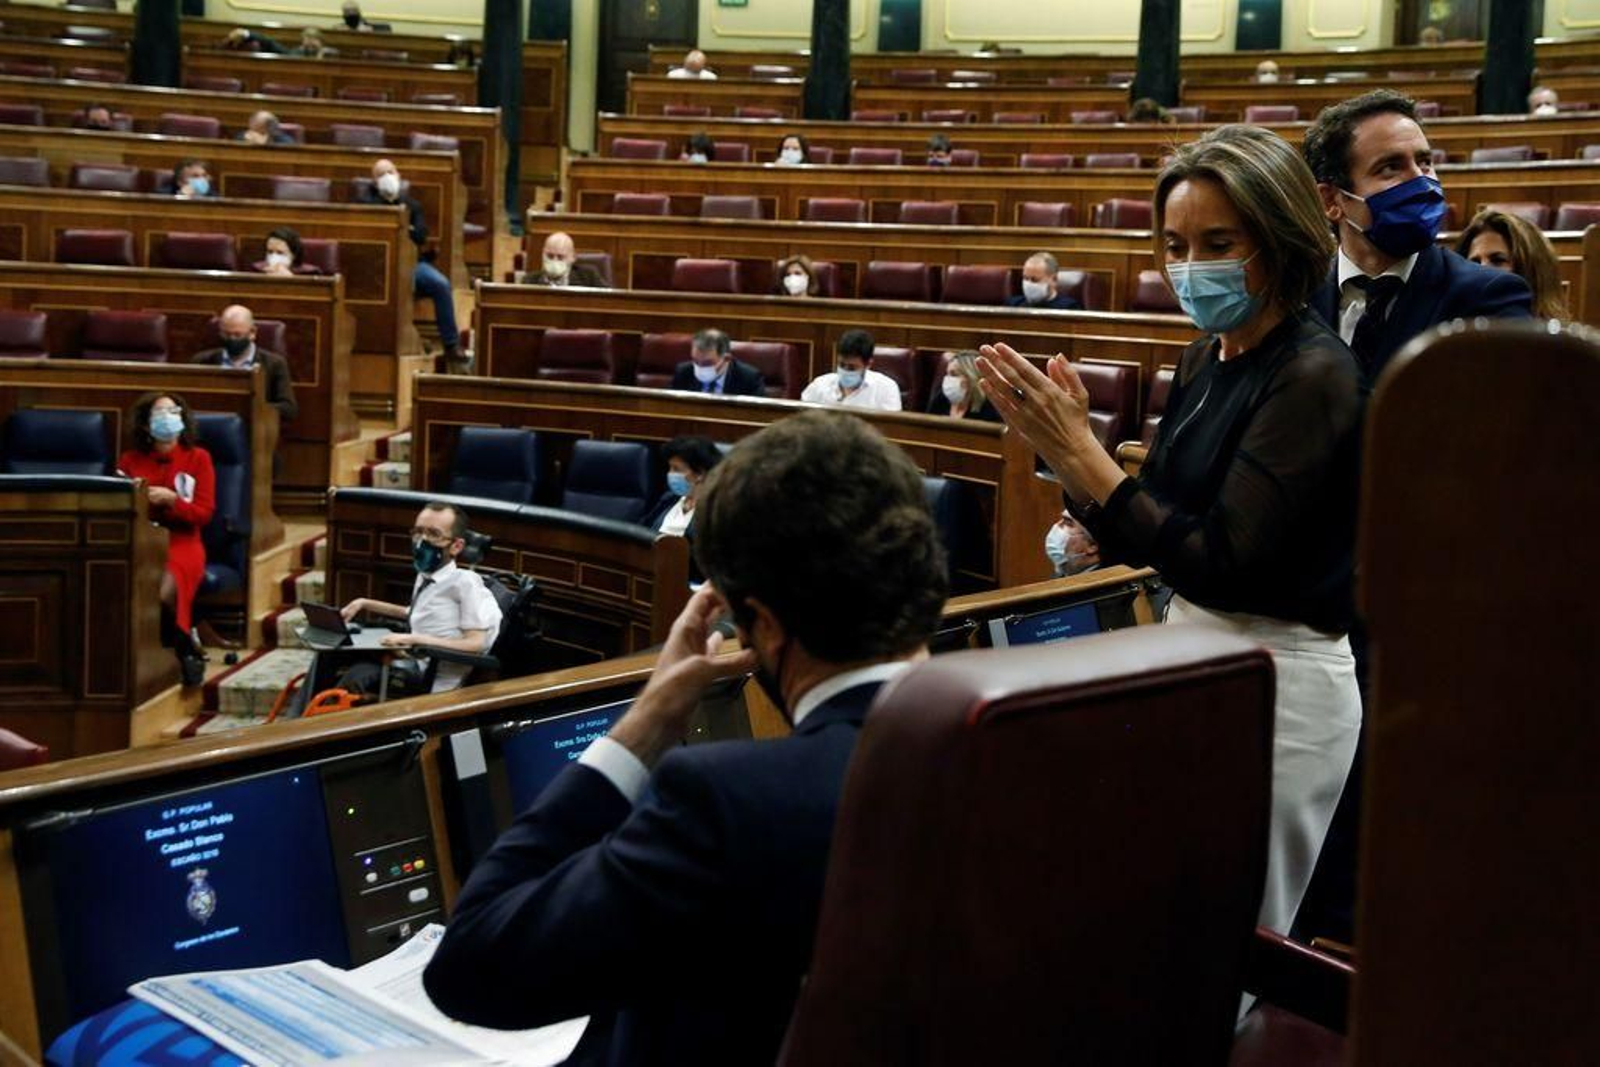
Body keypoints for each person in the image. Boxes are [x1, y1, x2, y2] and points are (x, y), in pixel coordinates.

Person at [422, 411, 949, 1065]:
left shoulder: (727, 803)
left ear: (761, 622)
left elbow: (472, 965)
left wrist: (648, 719)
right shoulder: (1044, 748)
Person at [976, 124, 1366, 943]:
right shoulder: (1202, 357)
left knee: (1225, 948)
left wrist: (1083, 453)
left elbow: (1223, 558)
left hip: (1282, 682)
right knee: (1151, 927)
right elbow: (1156, 516)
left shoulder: (1315, 373)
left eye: (1218, 242)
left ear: (1281, 235)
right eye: (1175, 244)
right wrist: (1079, 484)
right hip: (1188, 650)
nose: (1191, 265)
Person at [1303, 90, 1531, 383]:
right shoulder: (1297, 299)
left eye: (1424, 162)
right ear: (1332, 201)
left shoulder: (1488, 297)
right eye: (1391, 167)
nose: (1422, 182)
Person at [119, 392, 215, 687]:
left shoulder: (198, 458)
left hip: (182, 542)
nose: (168, 417)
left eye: (173, 410)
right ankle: (181, 650)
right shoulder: (129, 460)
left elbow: (203, 513)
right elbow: (121, 507)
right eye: (159, 413)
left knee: (161, 593)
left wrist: (173, 501)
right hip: (141, 542)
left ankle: (183, 647)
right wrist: (143, 500)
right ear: (146, 425)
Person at [356, 158, 463, 366]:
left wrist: (406, 228)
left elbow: (421, 236)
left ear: (398, 175)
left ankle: (451, 345)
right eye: (380, 174)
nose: (387, 177)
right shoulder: (364, 204)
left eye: (390, 172)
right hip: (378, 267)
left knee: (440, 284)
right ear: (374, 182)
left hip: (411, 264)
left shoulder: (412, 205)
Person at [190, 304, 299, 424]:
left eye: (237, 335)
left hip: (255, 427)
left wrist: (254, 408)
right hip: (212, 425)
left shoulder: (274, 364)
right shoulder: (202, 361)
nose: (231, 339)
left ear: (252, 333)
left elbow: (289, 409)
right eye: (226, 334)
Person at [1455, 208, 1570, 319]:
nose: (1481, 270)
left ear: (1531, 271)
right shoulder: (1449, 333)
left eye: (1498, 261)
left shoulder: (1557, 337)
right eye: (1474, 263)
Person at [800, 329, 902, 411]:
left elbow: (891, 430)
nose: (845, 371)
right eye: (841, 365)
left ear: (868, 364)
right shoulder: (820, 385)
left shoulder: (886, 389)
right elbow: (800, 419)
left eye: (852, 367)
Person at [647, 436, 722, 538]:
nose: (670, 474)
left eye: (676, 469)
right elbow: (642, 531)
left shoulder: (715, 511)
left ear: (700, 473)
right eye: (670, 468)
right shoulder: (668, 499)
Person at [669, 328, 766, 396]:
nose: (699, 368)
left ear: (726, 358)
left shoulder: (749, 378)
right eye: (696, 361)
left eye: (707, 363)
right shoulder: (683, 372)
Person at [927, 350, 1000, 422]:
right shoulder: (941, 399)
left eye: (954, 374)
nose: (947, 379)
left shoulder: (989, 410)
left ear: (972, 377)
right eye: (947, 374)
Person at [522, 232, 604, 287]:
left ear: (573, 258)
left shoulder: (589, 278)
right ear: (542, 254)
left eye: (560, 257)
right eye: (550, 256)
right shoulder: (529, 281)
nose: (554, 261)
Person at [1007, 252, 1081, 310]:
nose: (1028, 284)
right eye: (1025, 278)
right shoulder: (1013, 304)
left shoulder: (1068, 308)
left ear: (1054, 279)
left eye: (1034, 280)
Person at [1044, 509, 1100, 576]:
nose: (1057, 526)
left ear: (1092, 546)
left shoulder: (1105, 584)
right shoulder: (1057, 583)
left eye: (1068, 523)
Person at [252, 227, 322, 275]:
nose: (274, 257)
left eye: (280, 253)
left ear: (293, 254)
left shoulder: (310, 273)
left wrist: (290, 280)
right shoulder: (257, 270)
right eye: (270, 252)